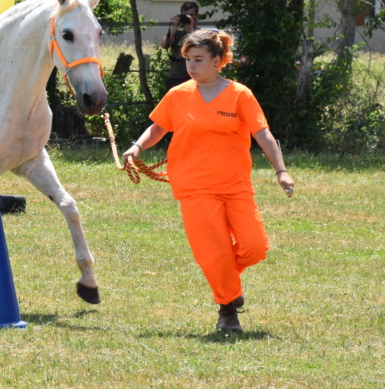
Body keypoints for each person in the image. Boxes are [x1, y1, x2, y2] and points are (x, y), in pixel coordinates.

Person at [123, 28, 294, 333]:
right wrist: (136, 147)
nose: (191, 65)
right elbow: (158, 128)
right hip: (193, 186)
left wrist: (281, 170)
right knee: (213, 252)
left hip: (235, 184)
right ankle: (227, 309)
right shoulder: (178, 95)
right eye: (187, 58)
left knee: (255, 246)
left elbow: (263, 134)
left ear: (218, 60)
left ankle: (225, 276)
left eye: (198, 59)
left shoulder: (240, 94)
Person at [160, 1, 200, 90]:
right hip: (177, 76)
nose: (188, 17)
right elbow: (164, 45)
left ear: (197, 16)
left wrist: (191, 29)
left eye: (191, 15)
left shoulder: (200, 33)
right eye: (185, 14)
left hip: (195, 77)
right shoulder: (177, 33)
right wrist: (175, 27)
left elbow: (199, 46)